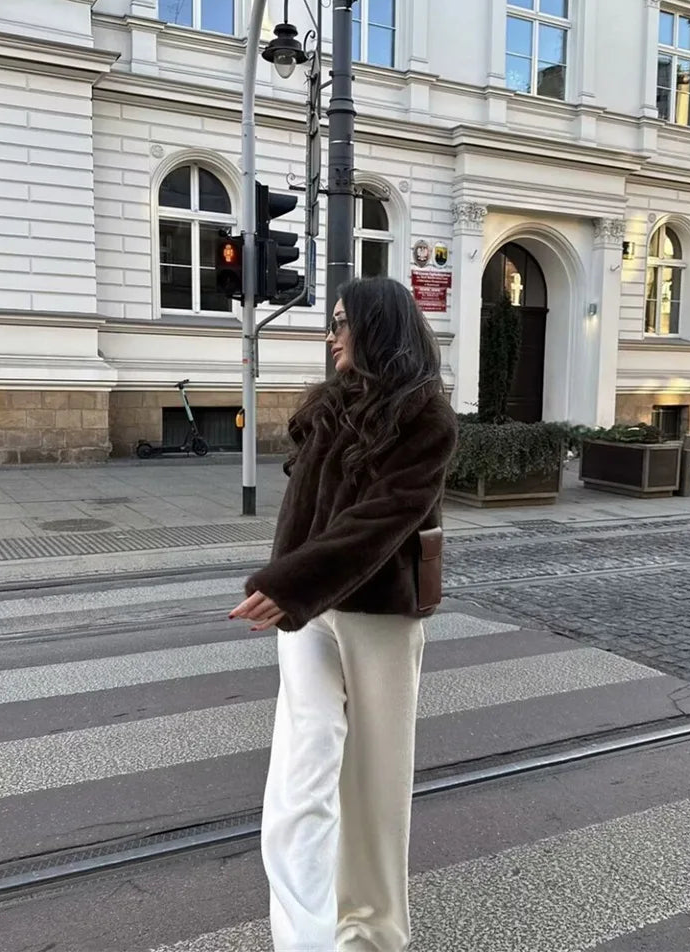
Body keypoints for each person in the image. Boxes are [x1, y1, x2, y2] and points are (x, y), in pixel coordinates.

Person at [229, 277, 458, 952]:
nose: (331, 336)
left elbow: (384, 519)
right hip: (306, 613)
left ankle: (373, 935)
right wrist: (292, 587)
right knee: (300, 783)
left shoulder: (426, 419)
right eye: (330, 324)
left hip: (378, 616)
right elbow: (301, 515)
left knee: (373, 788)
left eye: (341, 324)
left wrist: (291, 581)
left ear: (377, 328)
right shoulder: (327, 408)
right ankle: (305, 941)